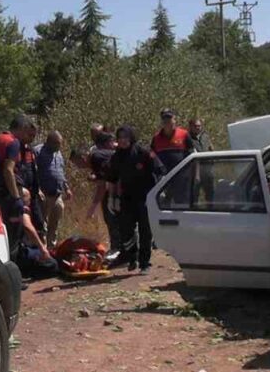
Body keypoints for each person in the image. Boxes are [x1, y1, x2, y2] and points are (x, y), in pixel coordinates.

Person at [103, 125, 164, 272]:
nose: (123, 140)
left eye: (126, 137)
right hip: (127, 198)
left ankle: (144, 263)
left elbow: (160, 170)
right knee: (126, 230)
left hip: (145, 197)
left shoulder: (143, 152)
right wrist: (111, 198)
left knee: (145, 231)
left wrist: (160, 191)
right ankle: (132, 257)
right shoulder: (116, 157)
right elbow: (111, 179)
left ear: (131, 137)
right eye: (120, 138)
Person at [0, 114, 48, 261]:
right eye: (29, 134)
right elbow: (8, 170)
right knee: (15, 236)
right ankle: (16, 273)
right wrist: (16, 197)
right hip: (9, 195)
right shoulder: (13, 143)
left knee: (6, 234)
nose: (30, 139)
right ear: (22, 128)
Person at [83, 130, 123, 257]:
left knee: (113, 219)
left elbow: (102, 185)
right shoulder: (113, 153)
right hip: (121, 190)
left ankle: (118, 249)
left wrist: (92, 208)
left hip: (115, 192)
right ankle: (121, 248)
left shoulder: (97, 156)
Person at [36, 130, 71, 248]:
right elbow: (32, 171)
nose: (58, 146)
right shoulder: (38, 151)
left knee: (54, 223)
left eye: (60, 144)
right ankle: (42, 249)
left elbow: (60, 172)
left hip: (57, 194)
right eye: (56, 143)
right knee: (42, 224)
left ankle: (52, 248)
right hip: (44, 194)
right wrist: (38, 189)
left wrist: (67, 188)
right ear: (49, 141)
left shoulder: (58, 153)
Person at [150, 108, 195, 173]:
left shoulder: (184, 134)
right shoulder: (156, 138)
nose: (168, 122)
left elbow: (193, 156)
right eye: (165, 120)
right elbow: (152, 155)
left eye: (170, 119)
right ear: (162, 122)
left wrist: (196, 175)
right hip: (164, 177)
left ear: (175, 120)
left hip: (182, 175)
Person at [189, 118, 214, 204]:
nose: (198, 128)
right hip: (195, 172)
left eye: (199, 126)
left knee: (210, 195)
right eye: (195, 126)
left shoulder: (205, 136)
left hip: (208, 170)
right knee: (194, 196)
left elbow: (211, 148)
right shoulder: (188, 138)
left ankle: (211, 212)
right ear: (190, 127)